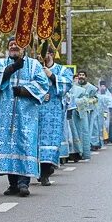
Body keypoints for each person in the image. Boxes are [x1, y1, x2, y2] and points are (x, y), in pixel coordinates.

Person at [0, 41, 49, 196]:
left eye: (17, 44)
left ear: (25, 47)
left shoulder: (34, 65)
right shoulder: (1, 63)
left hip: (26, 115)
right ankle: (13, 184)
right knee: (9, 146)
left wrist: (24, 90)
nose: (13, 46)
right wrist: (13, 68)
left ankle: (24, 183)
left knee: (25, 144)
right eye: (10, 44)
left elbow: (43, 84)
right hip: (5, 115)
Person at [36, 45, 72, 184]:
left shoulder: (62, 70)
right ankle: (38, 170)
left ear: (51, 54)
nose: (42, 56)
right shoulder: (35, 68)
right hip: (36, 110)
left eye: (44, 53)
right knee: (35, 141)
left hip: (53, 112)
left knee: (50, 142)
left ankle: (46, 172)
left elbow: (67, 84)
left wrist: (51, 75)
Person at [70, 69, 99, 162]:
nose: (81, 77)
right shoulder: (74, 86)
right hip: (74, 112)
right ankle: (75, 152)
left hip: (86, 112)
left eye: (83, 75)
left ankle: (85, 152)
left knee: (85, 132)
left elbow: (96, 99)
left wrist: (87, 101)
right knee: (74, 132)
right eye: (80, 75)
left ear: (86, 77)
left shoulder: (92, 88)